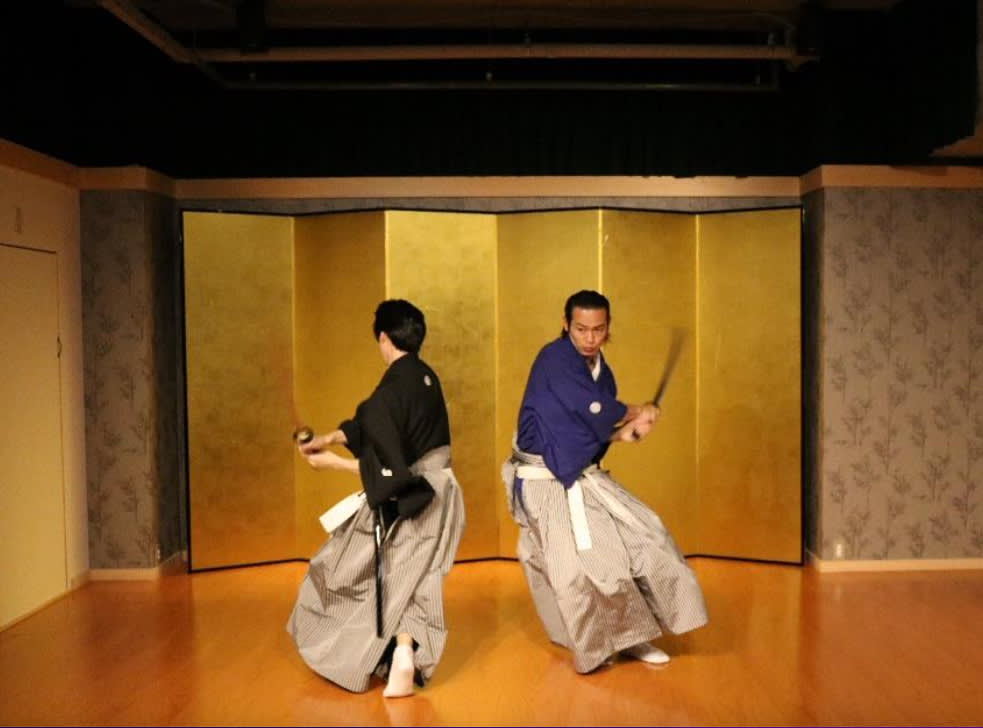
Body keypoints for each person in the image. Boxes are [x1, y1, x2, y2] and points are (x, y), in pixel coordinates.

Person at [502, 289, 707, 674]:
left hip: (581, 475)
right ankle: (595, 646)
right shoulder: (554, 359)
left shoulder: (600, 370)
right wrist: (637, 411)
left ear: (608, 328)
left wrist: (623, 433)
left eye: (598, 330)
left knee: (643, 542)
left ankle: (630, 637)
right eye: (581, 329)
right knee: (573, 573)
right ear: (566, 324)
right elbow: (593, 409)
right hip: (546, 484)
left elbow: (587, 429)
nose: (589, 338)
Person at [287, 299, 465, 698]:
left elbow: (392, 466)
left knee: (343, 571)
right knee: (416, 577)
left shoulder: (388, 392)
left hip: (411, 498)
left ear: (383, 337)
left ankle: (357, 655)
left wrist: (333, 463)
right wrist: (331, 437)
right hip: (442, 495)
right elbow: (376, 427)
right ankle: (403, 652)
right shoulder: (424, 377)